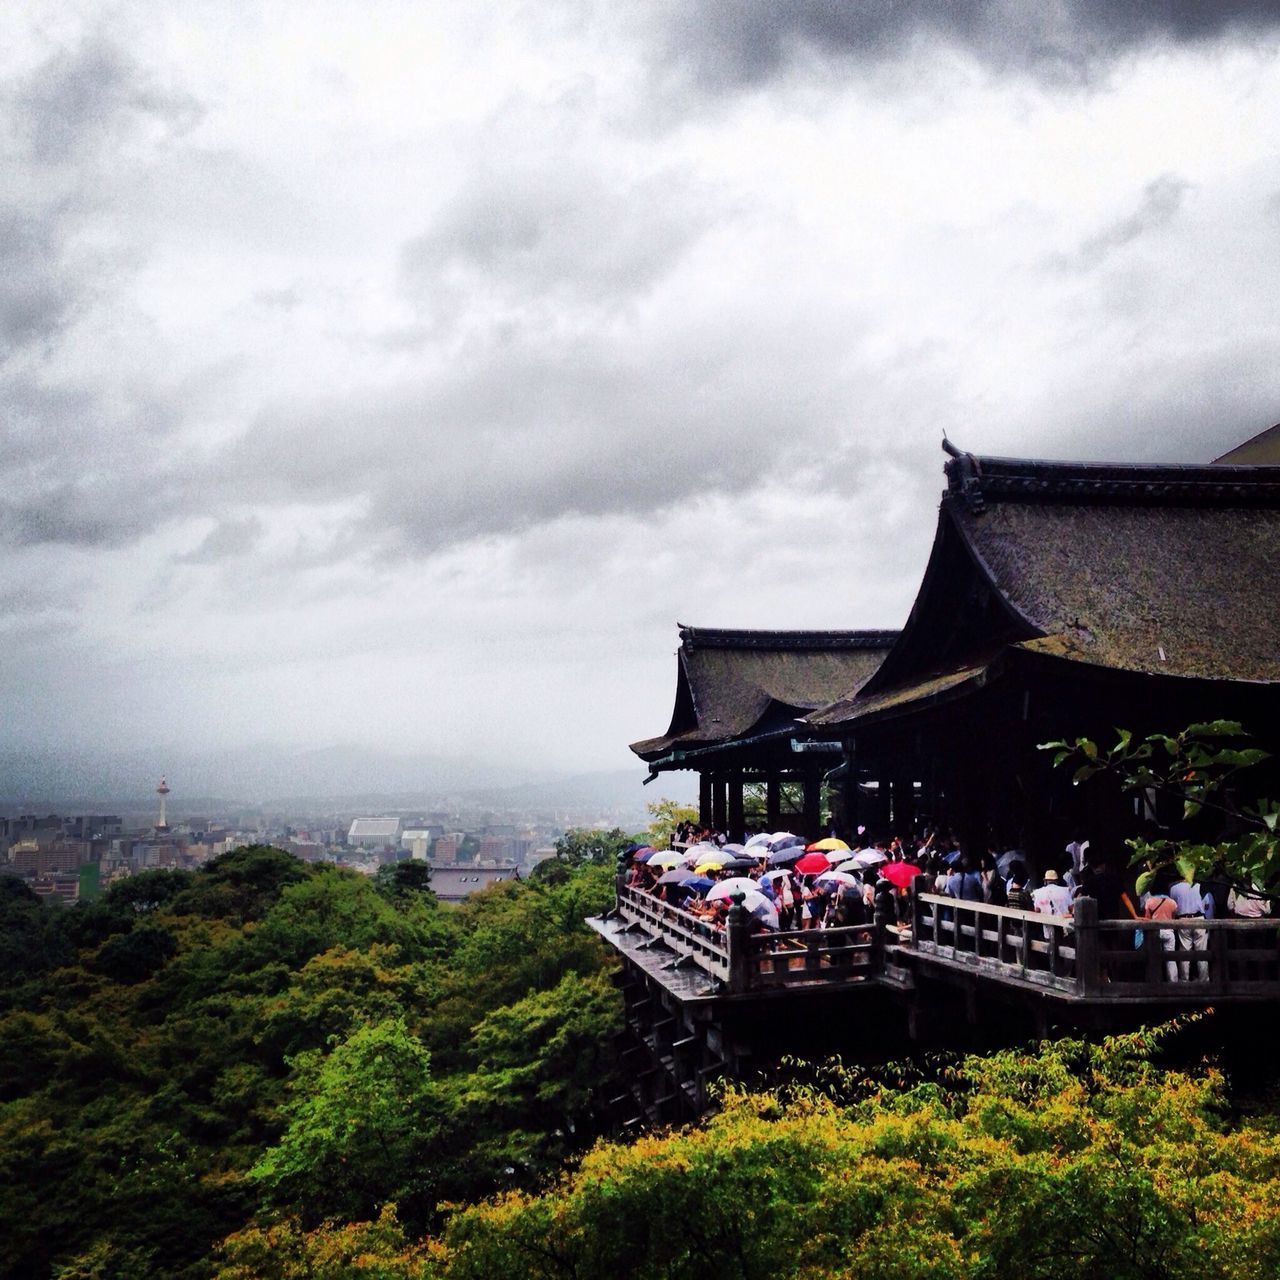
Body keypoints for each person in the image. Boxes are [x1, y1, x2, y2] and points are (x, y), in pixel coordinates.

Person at [1169, 864, 1209, 981]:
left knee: (1184, 952)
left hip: (1183, 919)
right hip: (1199, 919)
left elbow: (1173, 906)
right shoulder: (1199, 886)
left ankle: (1184, 980)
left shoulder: (1173, 888)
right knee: (1202, 951)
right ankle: (1204, 980)